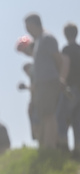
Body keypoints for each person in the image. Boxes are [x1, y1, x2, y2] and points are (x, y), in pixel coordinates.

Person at [24, 13, 67, 150]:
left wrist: (60, 79)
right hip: (42, 84)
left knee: (49, 115)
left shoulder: (47, 38)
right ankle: (49, 146)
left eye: (28, 26)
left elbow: (59, 60)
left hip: (49, 82)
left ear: (34, 24)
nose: (27, 30)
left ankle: (51, 147)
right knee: (44, 115)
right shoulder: (38, 41)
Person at [59, 23, 80, 157]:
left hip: (71, 88)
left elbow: (65, 64)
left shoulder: (66, 49)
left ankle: (63, 147)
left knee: (62, 116)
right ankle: (78, 150)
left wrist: (62, 80)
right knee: (77, 119)